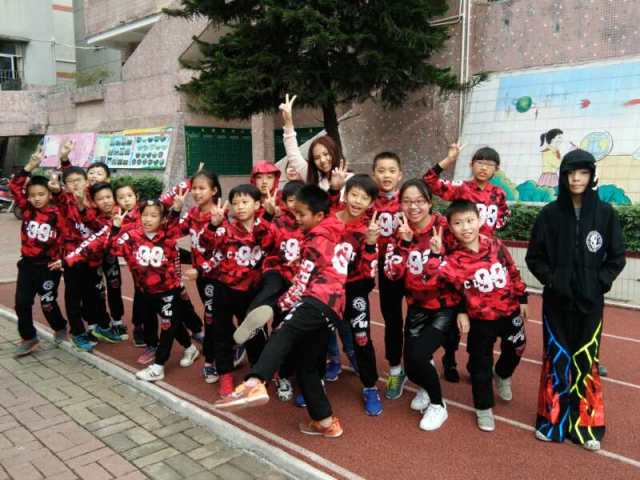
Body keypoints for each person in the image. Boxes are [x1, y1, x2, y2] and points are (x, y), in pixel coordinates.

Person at [214, 185, 347, 439]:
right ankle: (325, 422)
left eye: (302, 214)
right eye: (295, 213)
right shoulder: (335, 232)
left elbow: (300, 285)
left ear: (319, 216)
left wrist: (278, 307)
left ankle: (254, 383)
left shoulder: (316, 241)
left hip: (316, 300)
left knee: (282, 333)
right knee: (307, 366)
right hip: (333, 308)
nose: (298, 219)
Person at [525, 149, 625, 451]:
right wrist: (552, 280)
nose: (576, 179)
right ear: (563, 176)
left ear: (591, 176)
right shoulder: (549, 215)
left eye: (582, 173)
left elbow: (616, 258)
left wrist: (599, 282)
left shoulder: (605, 214)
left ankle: (586, 425)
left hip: (591, 303)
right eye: (570, 173)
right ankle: (552, 420)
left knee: (586, 360)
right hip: (556, 302)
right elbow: (534, 257)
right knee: (557, 358)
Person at [65, 199, 200, 381]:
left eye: (154, 216)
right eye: (145, 215)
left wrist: (176, 210)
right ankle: (190, 349)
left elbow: (175, 225)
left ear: (162, 219)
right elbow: (112, 248)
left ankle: (158, 366)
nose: (148, 219)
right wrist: (115, 228)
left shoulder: (168, 235)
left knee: (167, 326)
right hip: (145, 292)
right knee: (172, 324)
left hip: (169, 291)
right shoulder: (132, 236)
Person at [427, 200, 528, 433]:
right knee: (481, 364)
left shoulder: (495, 244)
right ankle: (483, 407)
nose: (465, 227)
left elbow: (512, 270)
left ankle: (502, 374)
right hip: (481, 319)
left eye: (470, 220)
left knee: (518, 347)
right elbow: (437, 281)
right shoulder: (453, 260)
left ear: (479, 220)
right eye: (458, 223)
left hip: (509, 310)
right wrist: (435, 254)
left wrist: (522, 297)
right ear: (450, 227)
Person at [423, 143, 510, 382]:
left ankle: (476, 362)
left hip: (483, 264)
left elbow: (504, 216)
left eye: (489, 165)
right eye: (480, 163)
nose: (484, 168)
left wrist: (489, 237)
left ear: (496, 169)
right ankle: (449, 359)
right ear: (471, 164)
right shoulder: (461, 188)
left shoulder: (498, 194)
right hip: (457, 262)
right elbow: (429, 181)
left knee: (481, 318)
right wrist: (449, 159)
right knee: (454, 313)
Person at [384, 179, 460, 430]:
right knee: (412, 365)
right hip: (416, 306)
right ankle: (427, 386)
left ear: (429, 202)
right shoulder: (400, 232)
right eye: (407, 201)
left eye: (419, 201)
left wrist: (438, 255)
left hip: (444, 306)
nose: (413, 207)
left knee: (418, 356)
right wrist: (405, 244)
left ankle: (438, 405)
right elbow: (392, 274)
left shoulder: (445, 228)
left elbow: (462, 266)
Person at [232, 180, 306, 402]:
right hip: (277, 270)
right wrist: (267, 216)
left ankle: (283, 376)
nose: (294, 206)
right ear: (284, 202)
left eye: (299, 202)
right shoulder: (277, 221)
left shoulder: (311, 224)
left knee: (283, 329)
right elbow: (263, 242)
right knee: (269, 288)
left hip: (298, 281)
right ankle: (254, 318)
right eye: (290, 201)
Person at [200, 184, 276, 397]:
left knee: (255, 335)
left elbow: (269, 244)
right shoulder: (226, 228)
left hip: (253, 291)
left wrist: (268, 217)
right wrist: (213, 225)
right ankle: (225, 374)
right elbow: (205, 244)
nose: (239, 207)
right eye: (235, 203)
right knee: (221, 333)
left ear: (258, 204)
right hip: (224, 288)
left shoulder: (267, 227)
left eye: (245, 202)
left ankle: (258, 375)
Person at [331, 174, 382, 415]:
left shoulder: (367, 230)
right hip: (326, 289)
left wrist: (370, 244)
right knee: (317, 335)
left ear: (371, 203)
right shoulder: (329, 217)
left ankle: (370, 386)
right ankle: (314, 381)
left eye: (364, 198)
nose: (357, 201)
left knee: (362, 337)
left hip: (355, 290)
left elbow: (368, 273)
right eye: (354, 194)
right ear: (346, 194)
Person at [10, 147, 68, 356]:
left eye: (41, 194)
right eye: (32, 195)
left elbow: (66, 205)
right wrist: (29, 166)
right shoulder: (27, 210)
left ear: (49, 194)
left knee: (47, 303)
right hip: (27, 265)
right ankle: (29, 338)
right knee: (21, 303)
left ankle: (60, 326)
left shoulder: (58, 213)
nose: (36, 198)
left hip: (49, 267)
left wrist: (62, 259)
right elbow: (14, 186)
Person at [370, 152, 406, 399]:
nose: (386, 175)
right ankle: (395, 369)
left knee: (418, 321)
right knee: (392, 320)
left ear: (400, 175)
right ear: (374, 174)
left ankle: (420, 366)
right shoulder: (369, 201)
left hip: (413, 267)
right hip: (386, 268)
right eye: (381, 170)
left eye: (392, 170)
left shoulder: (410, 199)